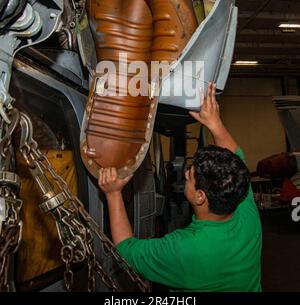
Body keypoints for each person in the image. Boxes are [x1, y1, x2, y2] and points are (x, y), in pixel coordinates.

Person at [98, 82, 262, 291]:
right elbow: (236, 156)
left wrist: (113, 194)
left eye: (190, 176)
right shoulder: (245, 214)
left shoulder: (184, 249)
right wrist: (215, 124)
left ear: (200, 196)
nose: (185, 173)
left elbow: (125, 252)